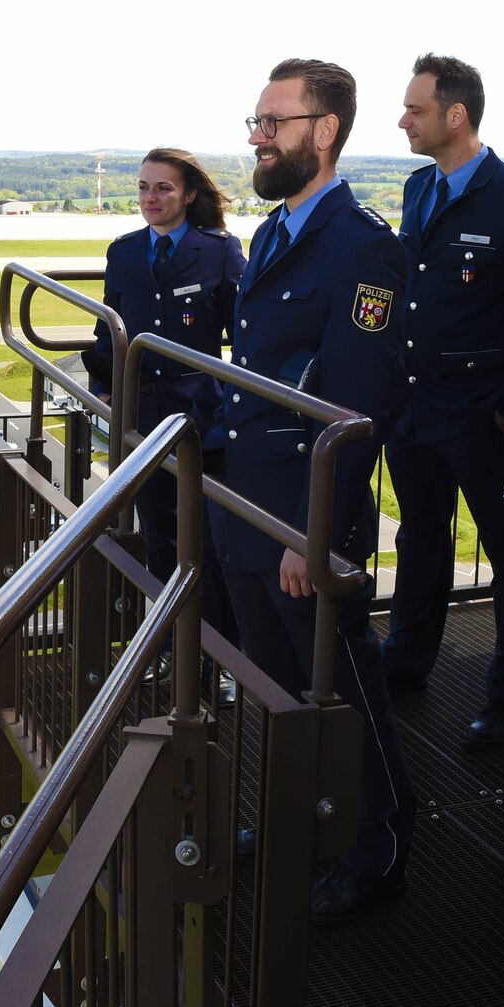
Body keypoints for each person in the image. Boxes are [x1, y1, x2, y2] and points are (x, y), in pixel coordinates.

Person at [210, 57, 414, 922]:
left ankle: (380, 844)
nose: (257, 138)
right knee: (277, 689)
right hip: (249, 498)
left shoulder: (363, 246)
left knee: (342, 686)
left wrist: (312, 532)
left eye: (273, 123)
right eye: (255, 124)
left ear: (324, 131)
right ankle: (300, 821)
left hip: (302, 512)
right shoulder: (274, 234)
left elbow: (357, 406)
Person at [378, 53, 504, 746]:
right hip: (416, 406)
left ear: (456, 116)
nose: (402, 120)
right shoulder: (417, 189)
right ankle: (407, 658)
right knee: (419, 536)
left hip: (482, 415)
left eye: (415, 109)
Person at [86, 148, 246, 636]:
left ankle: (216, 648)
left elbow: (245, 331)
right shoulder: (125, 251)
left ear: (189, 194)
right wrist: (105, 388)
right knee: (157, 533)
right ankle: (166, 643)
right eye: (143, 187)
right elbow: (107, 330)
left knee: (202, 538)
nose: (149, 198)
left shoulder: (217, 250)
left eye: (163, 188)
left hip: (198, 413)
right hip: (141, 412)